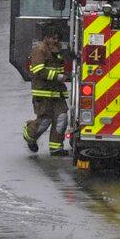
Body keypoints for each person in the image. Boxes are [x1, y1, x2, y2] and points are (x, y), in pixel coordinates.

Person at [23, 22, 69, 155]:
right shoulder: (39, 50)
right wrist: (57, 76)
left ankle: (56, 148)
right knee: (45, 121)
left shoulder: (58, 51)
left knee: (62, 118)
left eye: (57, 38)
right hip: (43, 93)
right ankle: (29, 134)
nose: (56, 41)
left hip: (57, 93)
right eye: (53, 38)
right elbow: (38, 71)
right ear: (46, 38)